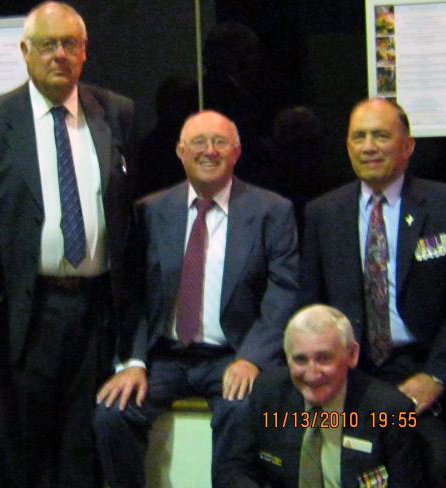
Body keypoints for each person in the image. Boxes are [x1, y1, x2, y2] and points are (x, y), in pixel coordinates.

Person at [0, 2, 136, 487]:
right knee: (25, 455)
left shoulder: (116, 113)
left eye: (70, 44)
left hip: (95, 312)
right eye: (48, 44)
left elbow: (127, 223)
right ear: (25, 51)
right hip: (25, 317)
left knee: (84, 452)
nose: (60, 54)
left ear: (84, 52)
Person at [94, 110, 299, 488]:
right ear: (180, 151)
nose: (209, 151)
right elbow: (133, 296)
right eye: (198, 142)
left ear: (236, 152)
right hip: (163, 357)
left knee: (242, 410)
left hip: (231, 355)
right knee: (112, 411)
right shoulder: (150, 212)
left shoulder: (272, 211)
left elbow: (283, 293)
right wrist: (133, 361)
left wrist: (252, 359)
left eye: (220, 142)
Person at [299, 98, 446, 485]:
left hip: (424, 368)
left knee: (435, 461)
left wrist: (435, 376)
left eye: (381, 136)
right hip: (353, 373)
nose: (369, 146)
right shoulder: (323, 212)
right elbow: (312, 304)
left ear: (408, 145)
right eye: (359, 137)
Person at [217, 304, 422, 487]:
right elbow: (233, 469)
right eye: (300, 359)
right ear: (287, 359)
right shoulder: (267, 393)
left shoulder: (393, 410)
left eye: (324, 358)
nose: (312, 373)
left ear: (352, 355)